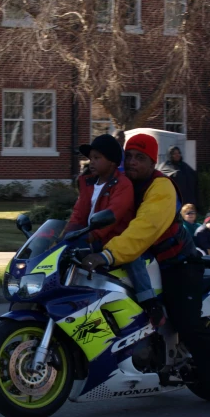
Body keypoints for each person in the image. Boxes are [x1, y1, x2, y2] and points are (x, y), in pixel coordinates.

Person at [82, 133, 210, 413]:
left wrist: (107, 254)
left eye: (140, 158)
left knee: (187, 323)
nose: (132, 162)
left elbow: (144, 230)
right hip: (142, 261)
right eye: (129, 156)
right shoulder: (122, 181)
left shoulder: (161, 188)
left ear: (153, 162)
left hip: (178, 263)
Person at [63, 134, 165, 327]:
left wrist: (91, 237)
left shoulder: (122, 185)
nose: (91, 162)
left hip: (113, 237)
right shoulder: (88, 183)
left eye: (97, 158)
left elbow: (113, 215)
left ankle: (150, 303)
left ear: (111, 163)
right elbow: (78, 214)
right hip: (90, 236)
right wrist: (66, 237)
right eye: (90, 158)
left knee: (132, 258)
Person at [157, 146, 198, 210]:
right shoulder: (165, 166)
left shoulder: (185, 166)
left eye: (178, 153)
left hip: (187, 200)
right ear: (170, 155)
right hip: (173, 201)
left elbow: (194, 179)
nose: (177, 155)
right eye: (174, 153)